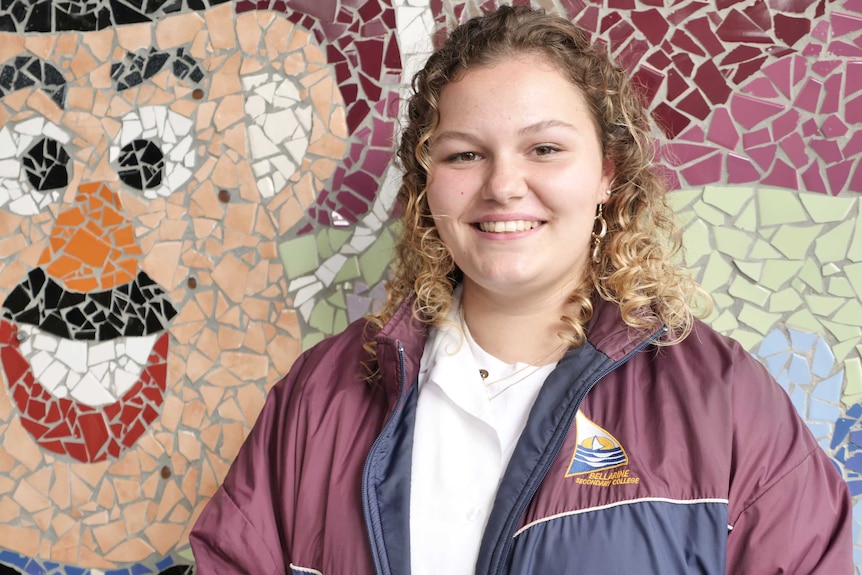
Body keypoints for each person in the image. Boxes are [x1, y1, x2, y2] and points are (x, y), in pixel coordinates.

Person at [189, 5, 853, 574]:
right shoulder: (318, 396)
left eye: (544, 149)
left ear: (606, 174)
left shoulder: (726, 405)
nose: (503, 185)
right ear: (426, 187)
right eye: (463, 154)